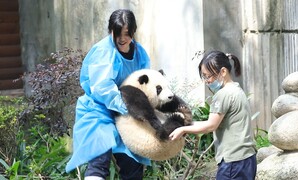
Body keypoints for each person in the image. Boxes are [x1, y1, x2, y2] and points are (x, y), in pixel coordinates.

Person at [65, 9, 151, 180]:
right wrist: (127, 108)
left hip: (126, 114)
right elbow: (103, 88)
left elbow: (145, 83)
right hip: (98, 110)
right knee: (99, 157)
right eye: (117, 32)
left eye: (126, 33)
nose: (121, 38)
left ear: (133, 31)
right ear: (111, 30)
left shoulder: (140, 53)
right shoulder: (104, 51)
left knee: (133, 162)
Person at [169, 50, 257, 179]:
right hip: (247, 158)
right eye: (204, 77)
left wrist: (183, 129)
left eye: (207, 76)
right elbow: (213, 122)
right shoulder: (237, 90)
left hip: (233, 161)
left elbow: (211, 126)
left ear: (223, 72)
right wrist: (185, 123)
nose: (206, 81)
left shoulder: (223, 95)